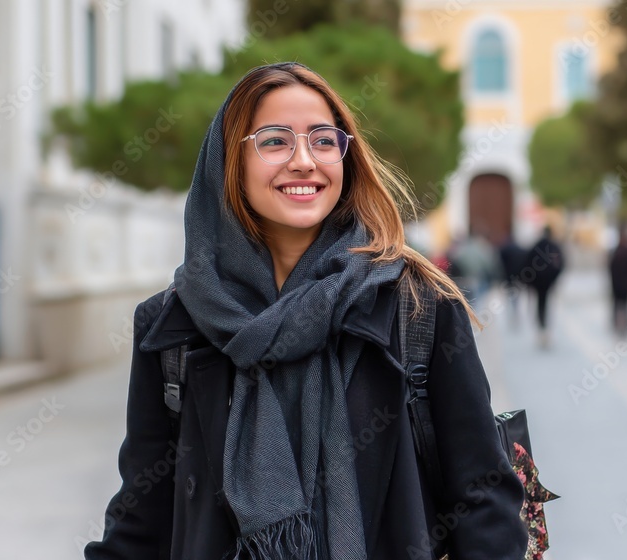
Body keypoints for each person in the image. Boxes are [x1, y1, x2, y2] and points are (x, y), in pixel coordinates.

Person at [83, 62, 527, 560]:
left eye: (322, 140)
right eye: (274, 141)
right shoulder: (174, 328)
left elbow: (484, 500)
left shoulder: (417, 306)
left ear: (345, 157)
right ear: (230, 161)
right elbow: (142, 521)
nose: (303, 161)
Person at [525, 226, 565, 349]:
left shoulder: (537, 245)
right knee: (544, 302)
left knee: (540, 303)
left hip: (537, 281)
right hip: (548, 281)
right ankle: (544, 325)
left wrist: (529, 281)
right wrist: (554, 278)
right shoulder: (554, 246)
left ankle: (541, 325)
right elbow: (561, 264)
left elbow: (527, 263)